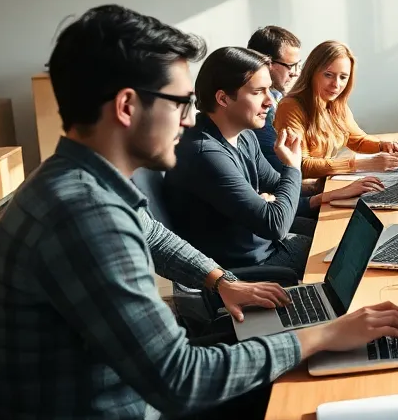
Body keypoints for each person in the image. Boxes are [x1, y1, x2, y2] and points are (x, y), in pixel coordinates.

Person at [0, 5, 398, 420]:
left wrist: (219, 279)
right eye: (182, 103)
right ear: (126, 107)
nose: (190, 120)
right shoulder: (83, 216)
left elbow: (155, 237)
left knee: (320, 406)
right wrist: (320, 336)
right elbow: (180, 378)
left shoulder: (79, 180)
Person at [164, 46, 384, 278]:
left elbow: (278, 189)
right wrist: (292, 166)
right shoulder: (205, 154)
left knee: (347, 231)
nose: (270, 101)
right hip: (247, 266)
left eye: (269, 90)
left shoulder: (244, 134)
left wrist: (325, 196)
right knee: (350, 252)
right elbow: (275, 223)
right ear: (223, 98)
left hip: (264, 242)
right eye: (259, 91)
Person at [273, 40, 398, 179]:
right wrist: (362, 164)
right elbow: (302, 165)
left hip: (325, 183)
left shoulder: (336, 104)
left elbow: (358, 140)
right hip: (305, 191)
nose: (336, 84)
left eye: (343, 77)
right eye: (328, 75)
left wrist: (382, 146)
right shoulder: (290, 107)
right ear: (311, 72)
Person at [245, 25, 301, 173]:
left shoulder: (278, 96)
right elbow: (281, 169)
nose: (295, 73)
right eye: (291, 66)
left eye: (298, 65)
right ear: (267, 64)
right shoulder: (263, 107)